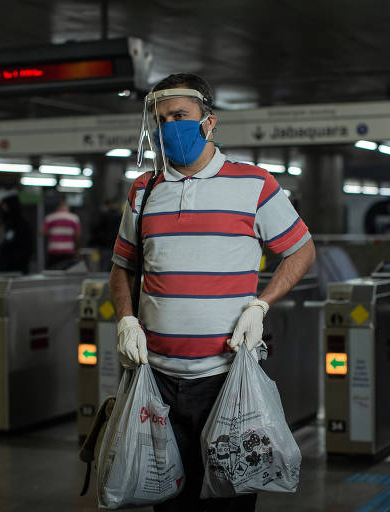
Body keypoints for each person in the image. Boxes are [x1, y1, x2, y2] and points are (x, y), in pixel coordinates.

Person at [109, 73, 316, 512]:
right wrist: (127, 319)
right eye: (161, 118)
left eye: (180, 116)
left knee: (229, 500)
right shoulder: (143, 191)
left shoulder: (254, 184)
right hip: (156, 383)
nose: (169, 127)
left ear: (209, 122)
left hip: (226, 383)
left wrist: (262, 304)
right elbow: (122, 266)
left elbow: (301, 250)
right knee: (167, 499)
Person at [0, 194, 33, 273]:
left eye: (5, 205)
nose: (3, 208)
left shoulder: (20, 225)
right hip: (6, 267)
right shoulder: (7, 223)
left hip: (17, 268)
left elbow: (27, 247)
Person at [42, 197, 81, 269]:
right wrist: (77, 249)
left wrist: (55, 232)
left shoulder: (50, 218)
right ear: (67, 207)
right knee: (67, 272)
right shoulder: (74, 218)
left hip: (53, 250)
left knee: (52, 272)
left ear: (57, 207)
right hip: (68, 250)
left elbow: (44, 233)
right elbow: (77, 235)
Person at [92, 198, 123, 271]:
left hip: (105, 247)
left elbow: (96, 230)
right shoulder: (120, 216)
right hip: (116, 246)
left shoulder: (102, 216)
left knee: (104, 268)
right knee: (115, 269)